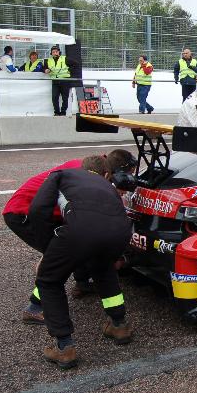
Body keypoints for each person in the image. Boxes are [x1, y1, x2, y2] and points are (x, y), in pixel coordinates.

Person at [7, 150, 137, 324]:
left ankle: (82, 284)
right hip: (24, 212)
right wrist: (51, 249)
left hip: (47, 212)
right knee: (59, 259)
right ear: (114, 172)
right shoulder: (82, 172)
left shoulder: (93, 167)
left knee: (81, 243)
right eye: (127, 175)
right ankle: (34, 307)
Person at [29, 155, 134, 369]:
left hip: (80, 230)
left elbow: (38, 209)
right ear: (106, 174)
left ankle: (64, 347)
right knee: (104, 270)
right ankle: (119, 325)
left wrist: (48, 247)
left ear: (82, 168)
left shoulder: (60, 175)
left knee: (49, 281)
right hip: (121, 233)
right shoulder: (108, 186)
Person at [44, 45, 76, 116]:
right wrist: (45, 70)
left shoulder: (64, 58)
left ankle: (63, 112)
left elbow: (75, 64)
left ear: (59, 52)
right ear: (51, 53)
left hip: (65, 80)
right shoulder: (49, 60)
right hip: (55, 81)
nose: (55, 53)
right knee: (54, 97)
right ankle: (57, 112)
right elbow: (44, 67)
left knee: (65, 98)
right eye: (53, 52)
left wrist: (69, 70)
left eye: (56, 51)